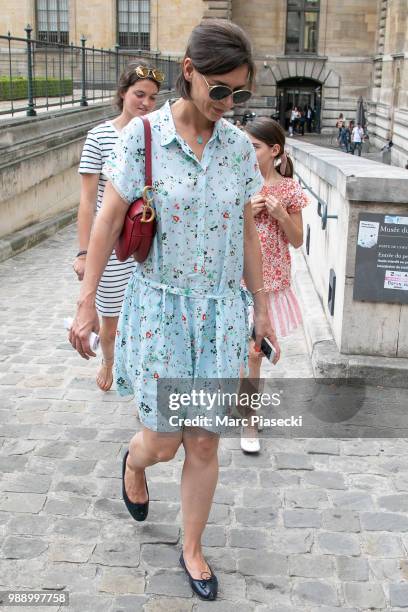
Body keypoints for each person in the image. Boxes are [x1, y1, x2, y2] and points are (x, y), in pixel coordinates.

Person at [69, 19, 280, 601]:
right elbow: (110, 220)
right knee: (162, 441)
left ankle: (192, 547)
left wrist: (262, 311)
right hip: (161, 310)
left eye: (241, 93)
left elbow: (246, 234)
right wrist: (86, 302)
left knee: (206, 441)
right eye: (220, 90)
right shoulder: (141, 138)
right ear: (188, 71)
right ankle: (135, 466)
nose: (229, 104)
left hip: (220, 313)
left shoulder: (238, 147)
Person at [73, 63, 162, 391]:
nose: (146, 103)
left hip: (145, 241)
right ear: (123, 93)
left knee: (146, 322)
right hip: (110, 246)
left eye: (153, 98)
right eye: (140, 94)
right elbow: (86, 201)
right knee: (110, 326)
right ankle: (109, 360)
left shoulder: (156, 136)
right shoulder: (100, 136)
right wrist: (84, 252)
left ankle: (141, 380)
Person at [240, 118, 308, 453]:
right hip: (236, 282)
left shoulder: (291, 189)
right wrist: (245, 214)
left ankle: (249, 419)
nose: (248, 152)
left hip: (271, 284)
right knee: (236, 353)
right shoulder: (237, 183)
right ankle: (244, 407)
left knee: (255, 354)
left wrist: (280, 214)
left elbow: (297, 241)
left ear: (274, 150)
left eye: (254, 146)